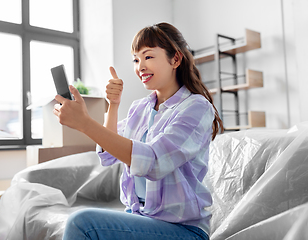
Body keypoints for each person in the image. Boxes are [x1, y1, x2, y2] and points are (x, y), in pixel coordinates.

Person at [54, 22, 223, 240]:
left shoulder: (196, 108)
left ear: (176, 59)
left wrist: (85, 123)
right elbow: (107, 155)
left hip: (184, 230)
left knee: (82, 223)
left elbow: (153, 162)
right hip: (141, 217)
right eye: (136, 59)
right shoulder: (140, 108)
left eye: (148, 57)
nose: (140, 66)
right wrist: (112, 105)